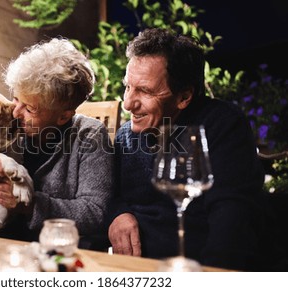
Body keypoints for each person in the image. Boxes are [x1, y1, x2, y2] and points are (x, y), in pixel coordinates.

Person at [108, 28, 283, 271]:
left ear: (184, 96)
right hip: (136, 271)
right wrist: (119, 214)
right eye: (128, 86)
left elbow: (231, 222)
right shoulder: (127, 135)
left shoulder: (222, 125)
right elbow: (110, 195)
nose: (128, 103)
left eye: (145, 91)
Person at [0, 38, 114, 243]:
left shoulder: (90, 135)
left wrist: (31, 206)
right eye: (16, 99)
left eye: (30, 108)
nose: (16, 112)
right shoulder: (7, 125)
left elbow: (96, 213)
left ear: (63, 116)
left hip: (58, 254)